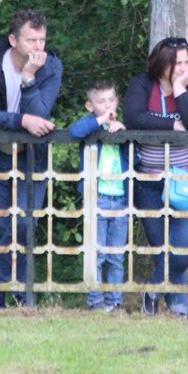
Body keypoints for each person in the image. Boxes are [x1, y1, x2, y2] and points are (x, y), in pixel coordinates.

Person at [0, 9, 63, 308]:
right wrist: (21, 121)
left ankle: (1, 285)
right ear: (13, 40)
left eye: (42, 40)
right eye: (31, 40)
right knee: (4, 228)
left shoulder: (51, 66)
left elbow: (41, 113)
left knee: (24, 224)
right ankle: (8, 296)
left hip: (31, 158)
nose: (39, 47)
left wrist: (29, 79)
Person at [122, 36, 188, 318]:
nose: (185, 68)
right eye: (178, 63)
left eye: (187, 62)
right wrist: (172, 125)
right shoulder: (142, 84)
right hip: (149, 182)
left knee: (184, 246)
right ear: (162, 64)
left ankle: (152, 290)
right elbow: (134, 118)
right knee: (163, 247)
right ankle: (178, 306)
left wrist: (179, 90)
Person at [69, 80, 130, 312]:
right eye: (101, 101)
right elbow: (74, 132)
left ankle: (114, 301)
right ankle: (95, 301)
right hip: (96, 197)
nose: (107, 105)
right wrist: (101, 120)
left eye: (111, 100)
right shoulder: (90, 126)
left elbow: (135, 158)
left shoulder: (122, 127)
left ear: (117, 101)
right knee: (96, 253)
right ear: (90, 106)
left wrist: (124, 134)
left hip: (121, 198)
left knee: (116, 255)